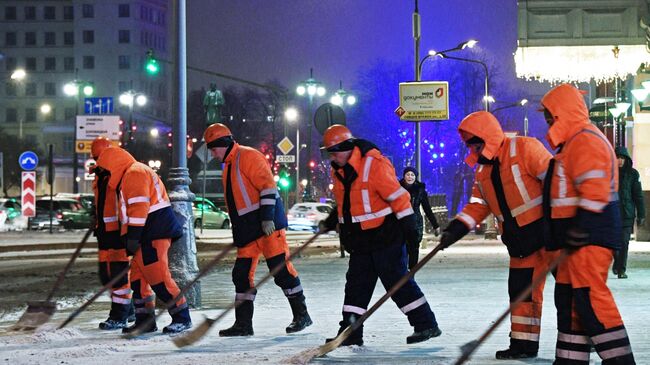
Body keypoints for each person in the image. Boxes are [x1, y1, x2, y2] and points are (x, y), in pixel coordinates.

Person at [438, 111, 556, 360]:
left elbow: (556, 182)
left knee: (572, 289)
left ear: (488, 138)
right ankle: (523, 345)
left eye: (476, 144)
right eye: (470, 145)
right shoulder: (482, 172)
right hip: (520, 244)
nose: (473, 149)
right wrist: (455, 230)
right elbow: (478, 206)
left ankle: (583, 336)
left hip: (549, 236)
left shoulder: (526, 148)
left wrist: (561, 222)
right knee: (521, 294)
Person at [319, 124, 441, 346]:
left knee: (397, 283)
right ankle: (350, 332)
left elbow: (400, 198)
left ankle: (426, 324)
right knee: (356, 287)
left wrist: (410, 229)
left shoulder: (374, 164)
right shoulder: (338, 170)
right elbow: (345, 204)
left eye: (334, 151)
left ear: (347, 146)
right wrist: (331, 220)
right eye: (329, 152)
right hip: (360, 241)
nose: (332, 157)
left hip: (386, 237)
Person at [540, 83, 635, 364]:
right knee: (570, 303)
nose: (546, 121)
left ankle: (621, 361)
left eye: (549, 115)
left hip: (589, 237)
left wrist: (581, 227)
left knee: (591, 300)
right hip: (576, 237)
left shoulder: (585, 140)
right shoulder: (571, 143)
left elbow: (594, 188)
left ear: (562, 114)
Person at [203, 123, 312, 336]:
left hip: (268, 228)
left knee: (281, 271)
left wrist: (267, 218)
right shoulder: (229, 166)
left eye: (213, 149)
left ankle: (302, 315)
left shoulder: (248, 156)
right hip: (249, 232)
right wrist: (240, 233)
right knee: (241, 275)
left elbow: (267, 187)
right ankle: (243, 324)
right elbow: (238, 206)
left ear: (222, 144)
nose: (213, 154)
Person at [95, 147, 192, 334]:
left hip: (153, 233)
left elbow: (139, 209)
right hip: (147, 234)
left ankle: (182, 317)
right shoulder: (130, 174)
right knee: (139, 281)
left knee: (159, 278)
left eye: (105, 170)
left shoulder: (134, 173)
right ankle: (145, 320)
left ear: (112, 165)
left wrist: (133, 237)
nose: (105, 176)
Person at [90, 137, 134, 330]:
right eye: (96, 158)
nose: (99, 162)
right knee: (106, 275)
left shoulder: (119, 173)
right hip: (104, 233)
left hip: (117, 232)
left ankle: (119, 315)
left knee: (118, 275)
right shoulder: (100, 176)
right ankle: (129, 308)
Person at [613, 146, 645, 279]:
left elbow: (638, 195)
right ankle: (617, 262)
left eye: (622, 158)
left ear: (626, 159)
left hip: (627, 214)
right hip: (612, 214)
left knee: (624, 242)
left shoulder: (633, 174)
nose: (619, 160)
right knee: (614, 243)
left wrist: (641, 214)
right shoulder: (609, 173)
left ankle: (621, 269)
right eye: (617, 158)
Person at [399, 166, 439, 270]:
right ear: (404, 176)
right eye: (408, 174)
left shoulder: (420, 190)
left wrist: (435, 225)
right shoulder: (397, 189)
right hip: (400, 222)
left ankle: (412, 272)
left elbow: (427, 209)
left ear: (415, 177)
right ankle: (402, 272)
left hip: (415, 223)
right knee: (401, 248)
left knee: (414, 248)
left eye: (412, 175)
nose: (410, 177)